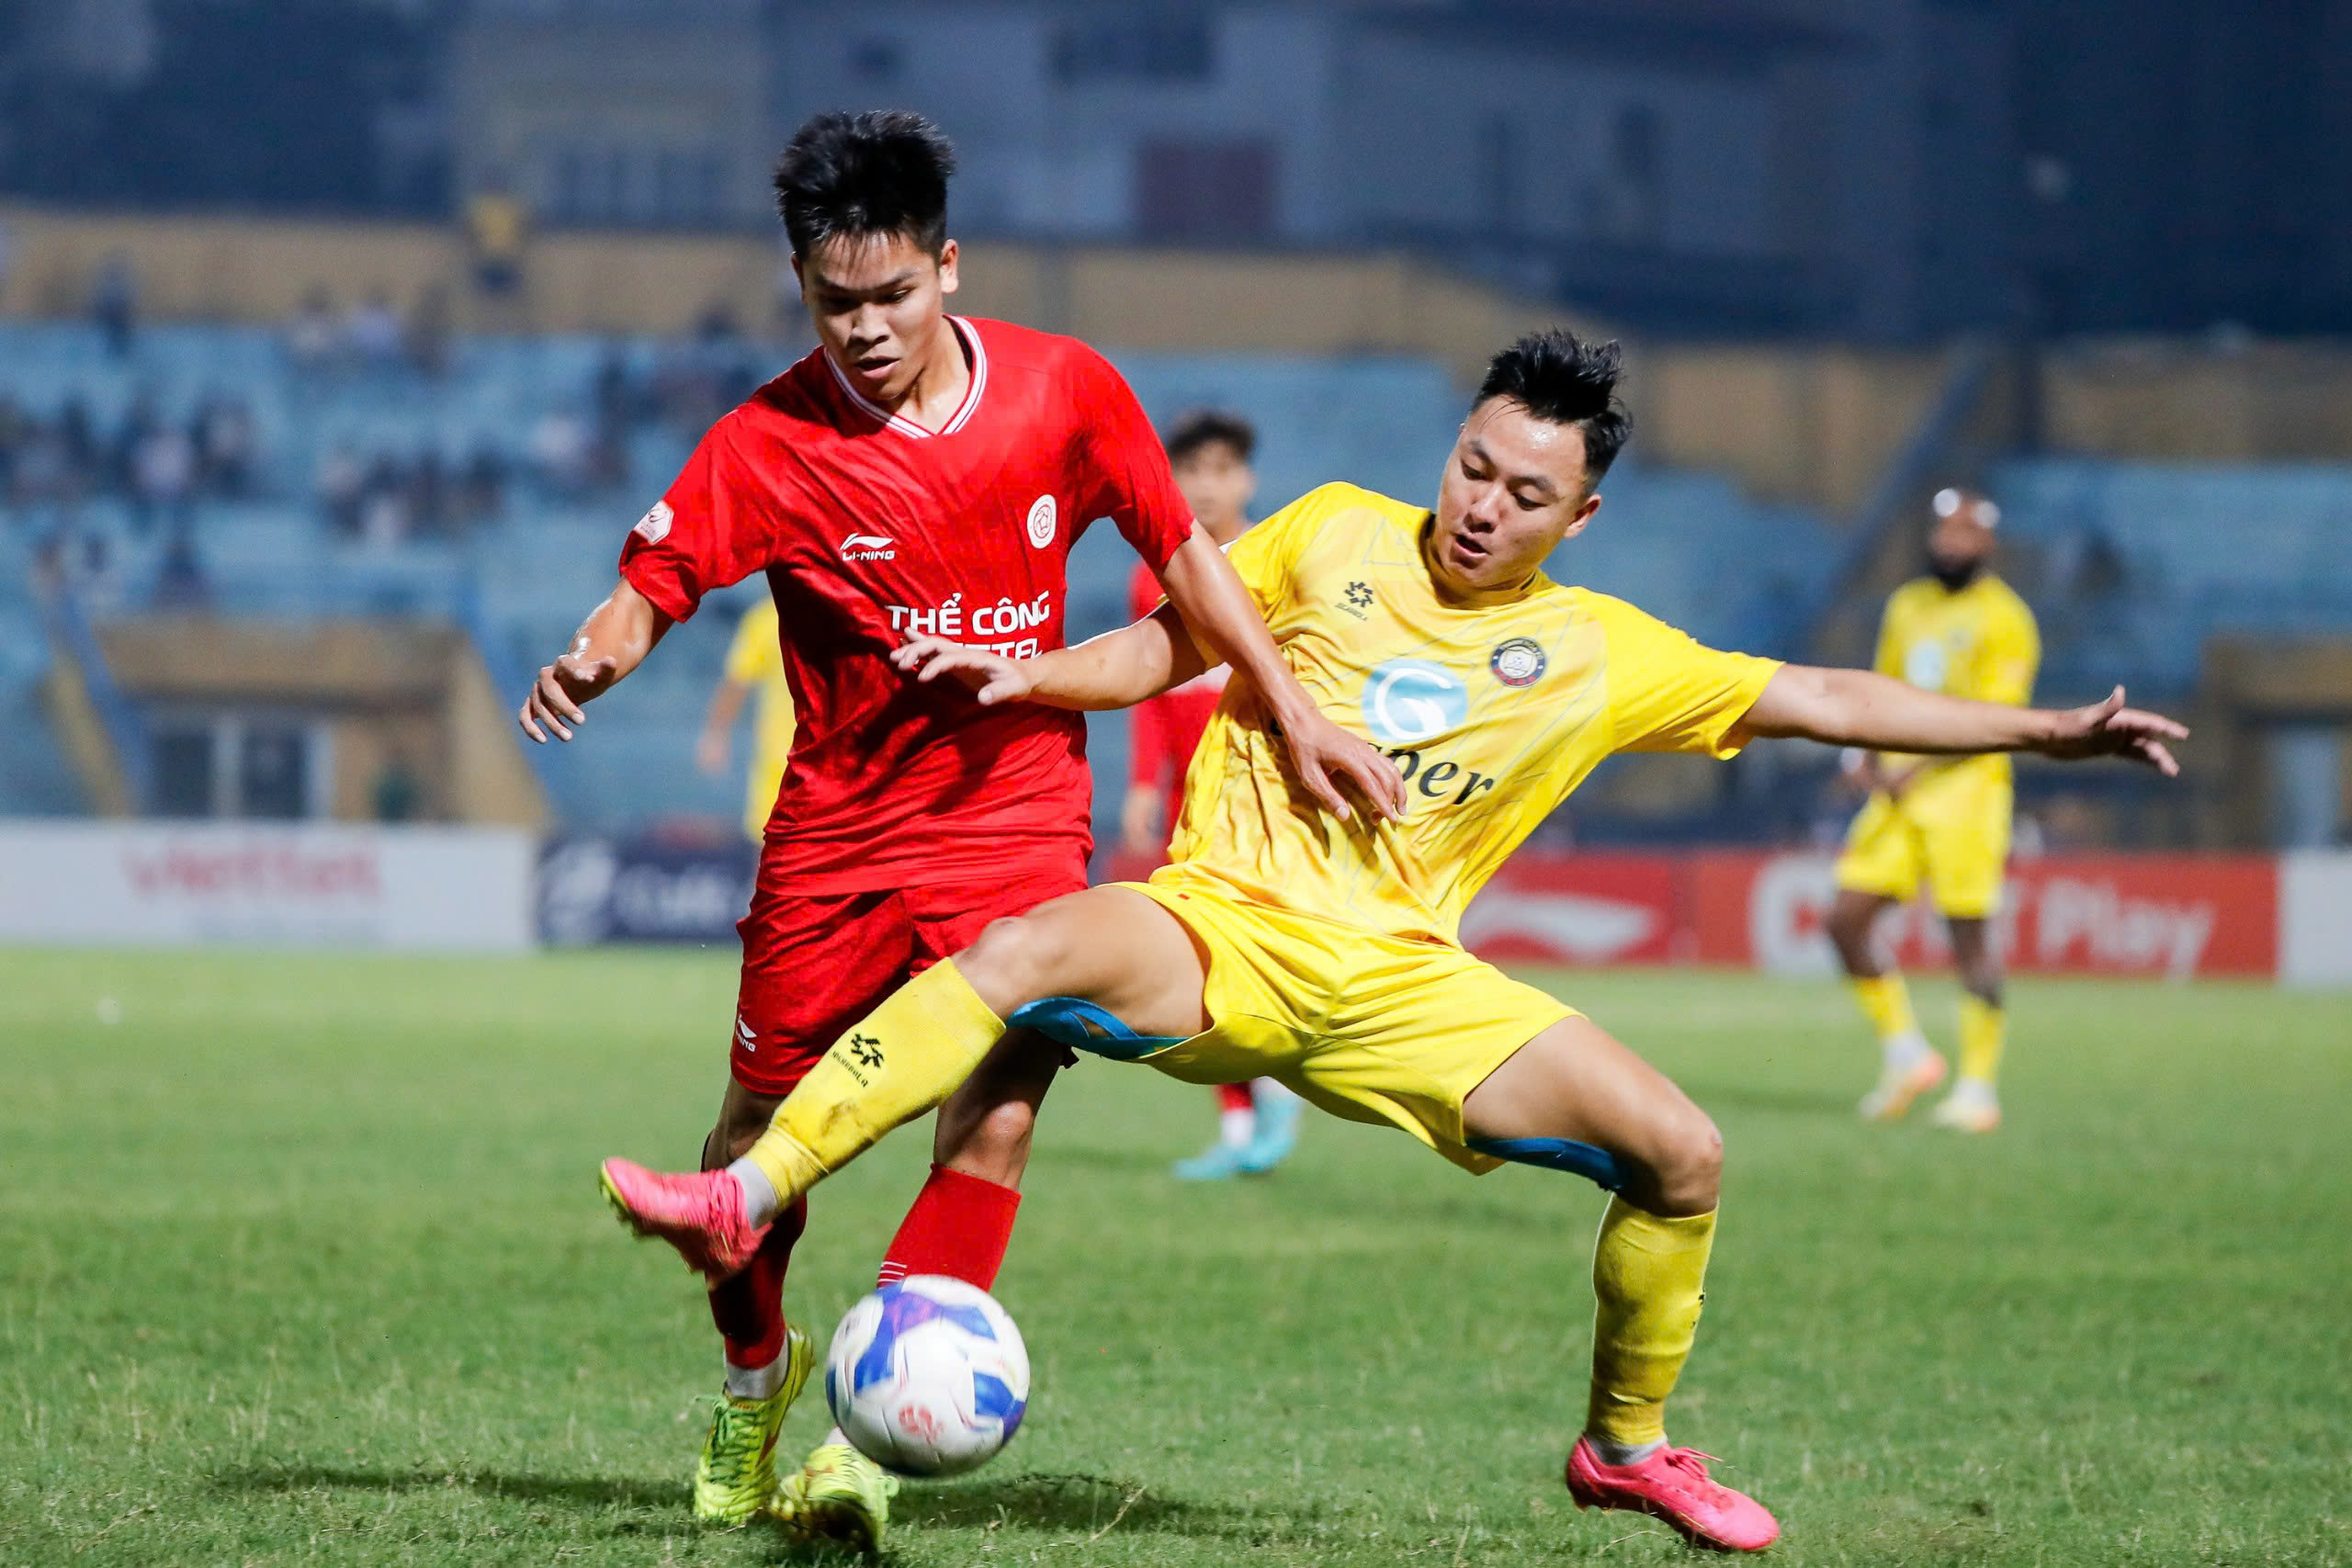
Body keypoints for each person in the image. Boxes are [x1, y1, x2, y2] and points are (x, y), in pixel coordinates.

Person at [601, 331, 2186, 1554]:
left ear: (1583, 512)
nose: (1483, 505)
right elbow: (1175, 636)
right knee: (1021, 953)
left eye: (1525, 492)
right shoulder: (1336, 533)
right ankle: (746, 1194)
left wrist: (2045, 732)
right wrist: (1038, 679)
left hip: (1406, 984)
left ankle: (1623, 1448)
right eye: (1474, 466)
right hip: (1215, 927)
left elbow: (1824, 698)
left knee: (1687, 1150)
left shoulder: (1596, 651)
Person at [521, 110, 1399, 1548]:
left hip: (1016, 819)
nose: (864, 329)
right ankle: (757, 1376)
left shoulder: (1066, 392)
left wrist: (1289, 705)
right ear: (801, 286)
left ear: (947, 264)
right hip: (841, 828)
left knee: (988, 1119)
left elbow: (1182, 553)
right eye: (833, 302)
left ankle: (863, 1451)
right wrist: (599, 648)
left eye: (892, 295)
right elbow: (657, 578)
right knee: (753, 1137)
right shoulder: (768, 438)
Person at [1115, 410, 1303, 1180]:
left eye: (1222, 470)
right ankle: (1240, 1117)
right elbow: (1153, 690)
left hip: (1264, 792)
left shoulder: (1281, 560)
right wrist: (1139, 781)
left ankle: (1279, 1080)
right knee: (1197, 958)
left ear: (1247, 480)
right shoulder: (1149, 573)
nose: (1208, 485)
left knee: (1256, 950)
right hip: (1190, 799)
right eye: (1192, 470)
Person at [1826, 489, 2041, 1134]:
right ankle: (1906, 1054)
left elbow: (1998, 718)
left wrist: (1914, 761)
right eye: (1943, 531)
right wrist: (1863, 752)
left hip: (1967, 797)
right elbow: (1883, 685)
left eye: (1966, 533)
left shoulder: (2007, 618)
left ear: (1988, 544)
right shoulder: (1907, 605)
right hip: (1897, 794)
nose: (1951, 543)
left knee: (1967, 936)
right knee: (1844, 920)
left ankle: (1979, 1087)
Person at [697, 596, 796, 844]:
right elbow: (736, 683)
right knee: (770, 855)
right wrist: (715, 734)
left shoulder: (845, 613)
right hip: (778, 767)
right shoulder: (765, 620)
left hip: (835, 764)